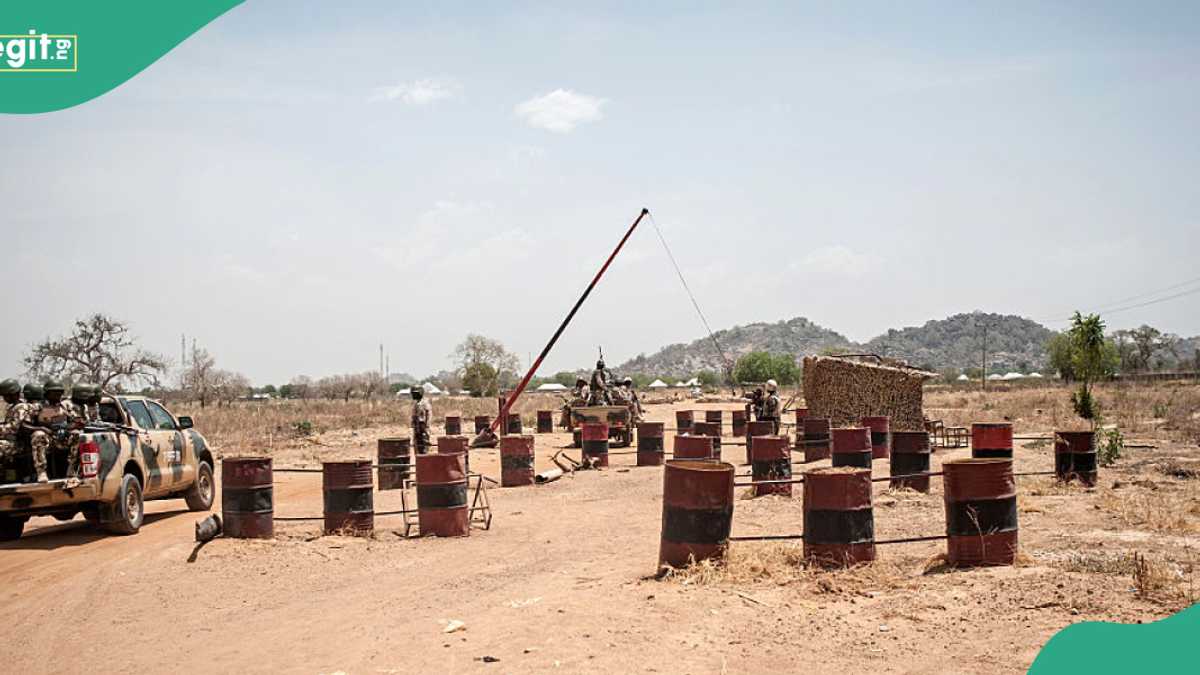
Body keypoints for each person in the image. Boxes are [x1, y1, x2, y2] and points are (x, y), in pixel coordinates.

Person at [29, 379, 83, 482]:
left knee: (77, 434)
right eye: (54, 393)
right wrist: (41, 428)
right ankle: (41, 472)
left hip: (62, 437)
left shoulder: (65, 406)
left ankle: (72, 470)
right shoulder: (38, 407)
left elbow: (76, 421)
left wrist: (69, 427)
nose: (58, 395)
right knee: (38, 434)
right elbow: (25, 424)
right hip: (46, 440)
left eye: (60, 393)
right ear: (47, 393)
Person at [0, 379, 34, 472]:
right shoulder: (12, 407)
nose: (4, 398)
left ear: (13, 394)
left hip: (19, 444)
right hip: (10, 441)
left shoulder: (21, 407)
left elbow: (14, 427)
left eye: (5, 396)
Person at [410, 385, 432, 454]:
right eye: (412, 393)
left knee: (423, 451)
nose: (413, 395)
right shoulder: (417, 403)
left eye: (415, 393)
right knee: (417, 451)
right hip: (417, 430)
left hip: (422, 431)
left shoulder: (424, 403)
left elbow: (427, 418)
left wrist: (424, 430)